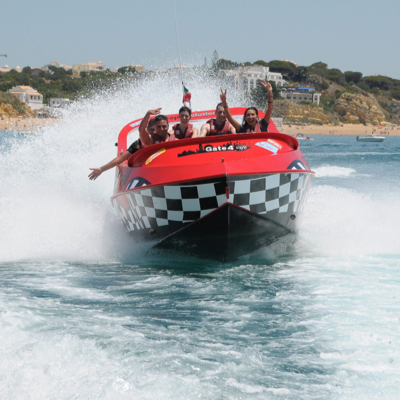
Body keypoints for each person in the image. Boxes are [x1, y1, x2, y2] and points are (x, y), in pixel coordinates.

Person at [88, 116, 156, 181]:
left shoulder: (165, 139)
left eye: (156, 129)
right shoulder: (138, 144)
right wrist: (101, 169)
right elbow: (120, 158)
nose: (154, 132)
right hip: (142, 172)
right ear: (147, 130)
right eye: (151, 130)